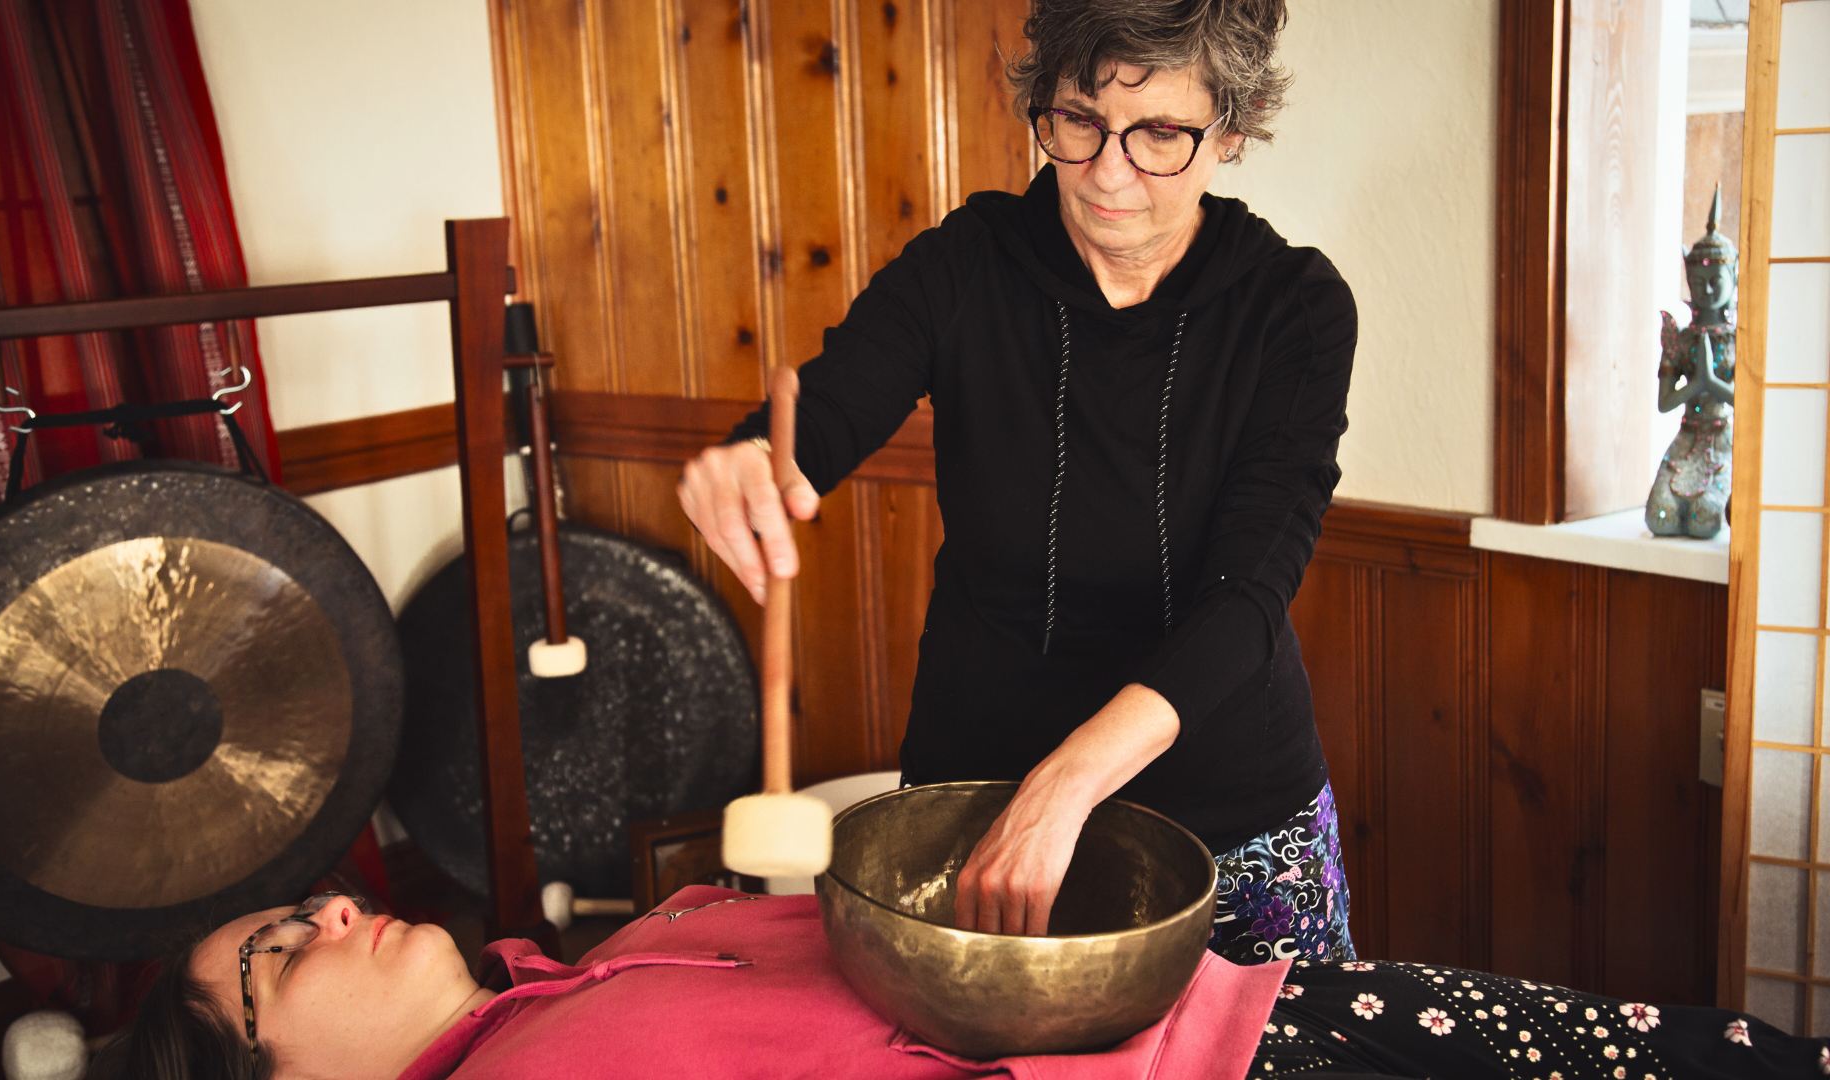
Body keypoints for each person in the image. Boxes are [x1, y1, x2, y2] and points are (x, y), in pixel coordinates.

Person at [679, 0, 1350, 959]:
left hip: (1229, 808)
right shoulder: (967, 263)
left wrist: (1065, 782)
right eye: (1079, 120)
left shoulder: (1295, 308)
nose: (1107, 172)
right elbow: (825, 410)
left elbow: (1247, 596)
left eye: (1160, 134)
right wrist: (753, 461)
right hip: (975, 794)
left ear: (1230, 130)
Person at [88, 890, 1830, 1080]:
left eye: (292, 909)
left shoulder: (570, 971)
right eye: (270, 960)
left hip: (1252, 1000)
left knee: (1721, 1054)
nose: (326, 911)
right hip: (1215, 1074)